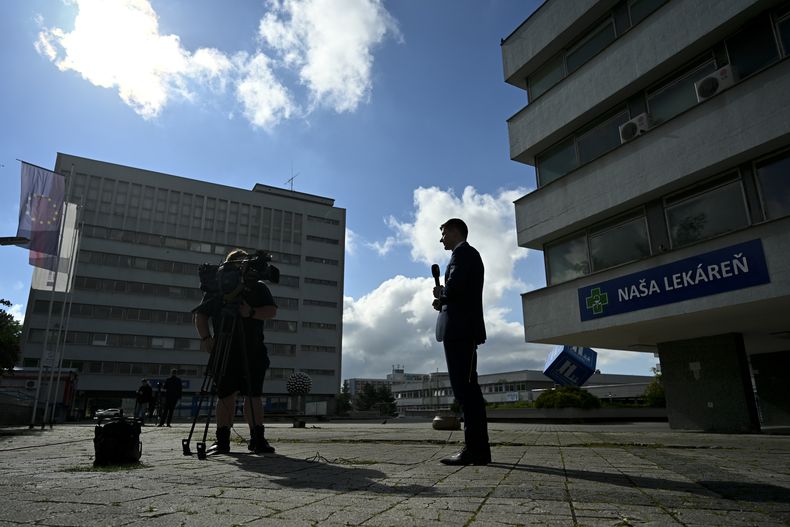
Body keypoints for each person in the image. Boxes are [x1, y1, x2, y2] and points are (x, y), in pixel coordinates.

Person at [193, 249, 278, 455]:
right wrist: (207, 339)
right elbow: (201, 315)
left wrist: (250, 312)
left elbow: (271, 311)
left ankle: (257, 439)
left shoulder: (257, 287)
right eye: (236, 264)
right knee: (225, 394)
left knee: (253, 394)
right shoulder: (217, 287)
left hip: (252, 349)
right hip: (224, 348)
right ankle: (222, 440)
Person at [432, 218, 491, 465]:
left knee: (466, 391)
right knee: (467, 390)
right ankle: (477, 449)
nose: (441, 238)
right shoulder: (464, 256)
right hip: (461, 330)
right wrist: (444, 299)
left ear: (455, 231)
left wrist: (442, 294)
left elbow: (456, 289)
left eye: (443, 232)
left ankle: (475, 450)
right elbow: (460, 292)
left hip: (460, 331)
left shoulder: (463, 254)